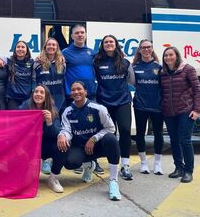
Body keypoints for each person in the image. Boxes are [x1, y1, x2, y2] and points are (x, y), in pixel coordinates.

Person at [57, 81, 121, 200]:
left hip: (98, 145)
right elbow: (66, 130)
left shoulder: (98, 108)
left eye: (79, 89)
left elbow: (111, 128)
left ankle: (113, 181)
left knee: (111, 139)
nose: (76, 92)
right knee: (70, 162)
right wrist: (62, 135)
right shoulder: (67, 111)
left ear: (85, 91)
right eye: (73, 90)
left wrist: (94, 138)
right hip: (81, 146)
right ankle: (88, 165)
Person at [62, 24, 104, 175]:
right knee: (76, 129)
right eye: (77, 33)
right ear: (72, 36)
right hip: (73, 96)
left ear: (85, 35)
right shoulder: (65, 53)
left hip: (90, 95)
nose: (80, 35)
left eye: (82, 33)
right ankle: (79, 159)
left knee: (94, 127)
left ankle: (94, 160)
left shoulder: (91, 53)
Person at [93, 34, 135, 180]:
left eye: (111, 42)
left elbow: (132, 80)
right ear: (102, 45)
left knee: (124, 130)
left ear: (116, 44)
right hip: (104, 102)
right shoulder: (96, 61)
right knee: (109, 134)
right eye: (106, 42)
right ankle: (108, 163)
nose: (109, 44)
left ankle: (125, 165)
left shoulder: (124, 62)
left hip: (123, 101)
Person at [160, 46, 200, 183]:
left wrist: (197, 110)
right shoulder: (163, 73)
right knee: (174, 141)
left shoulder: (188, 69)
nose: (168, 58)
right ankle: (179, 168)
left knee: (185, 140)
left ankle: (188, 171)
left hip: (186, 110)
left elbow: (197, 90)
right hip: (169, 112)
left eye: (171, 55)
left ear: (177, 56)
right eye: (166, 56)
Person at [132, 39, 164, 175]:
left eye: (149, 47)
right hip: (140, 106)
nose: (146, 49)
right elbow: (133, 84)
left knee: (158, 134)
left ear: (152, 49)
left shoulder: (160, 67)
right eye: (143, 47)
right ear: (139, 50)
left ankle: (157, 164)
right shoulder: (135, 67)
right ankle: (144, 163)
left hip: (157, 106)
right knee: (140, 133)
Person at [34, 38, 66, 113]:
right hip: (43, 98)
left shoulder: (62, 62)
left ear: (57, 48)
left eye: (53, 45)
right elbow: (33, 80)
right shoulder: (37, 63)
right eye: (49, 44)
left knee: (57, 121)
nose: (51, 46)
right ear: (45, 47)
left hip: (59, 98)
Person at [5, 40, 35, 109]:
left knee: (26, 119)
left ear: (27, 50)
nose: (20, 49)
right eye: (18, 47)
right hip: (13, 98)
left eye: (23, 47)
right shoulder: (9, 61)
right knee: (13, 119)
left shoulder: (32, 62)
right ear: (15, 50)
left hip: (27, 98)